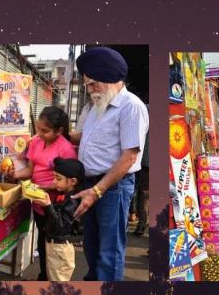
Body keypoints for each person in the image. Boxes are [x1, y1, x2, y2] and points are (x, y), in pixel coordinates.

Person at [67, 47, 149, 281]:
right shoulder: (98, 105)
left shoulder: (131, 107)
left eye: (93, 84)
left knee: (109, 253)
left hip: (111, 188)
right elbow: (87, 137)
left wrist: (97, 191)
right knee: (92, 248)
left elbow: (129, 157)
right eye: (87, 84)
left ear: (111, 79)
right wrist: (59, 134)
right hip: (92, 185)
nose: (89, 89)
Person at [9, 106, 77, 281]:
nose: (39, 134)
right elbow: (31, 171)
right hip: (38, 202)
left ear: (59, 131)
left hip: (55, 205)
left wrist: (43, 188)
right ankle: (43, 275)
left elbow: (67, 182)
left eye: (44, 131)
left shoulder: (66, 149)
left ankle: (52, 278)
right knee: (41, 241)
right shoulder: (37, 142)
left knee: (54, 245)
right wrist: (14, 174)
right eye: (38, 129)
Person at [33, 157, 85, 281]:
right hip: (55, 246)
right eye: (54, 177)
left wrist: (48, 206)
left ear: (73, 181)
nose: (54, 181)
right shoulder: (65, 195)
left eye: (58, 178)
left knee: (58, 280)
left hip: (60, 249)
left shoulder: (72, 202)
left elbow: (60, 226)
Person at [132, 130, 149, 236]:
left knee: (143, 195)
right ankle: (142, 223)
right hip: (144, 162)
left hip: (143, 162)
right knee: (143, 195)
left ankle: (142, 224)